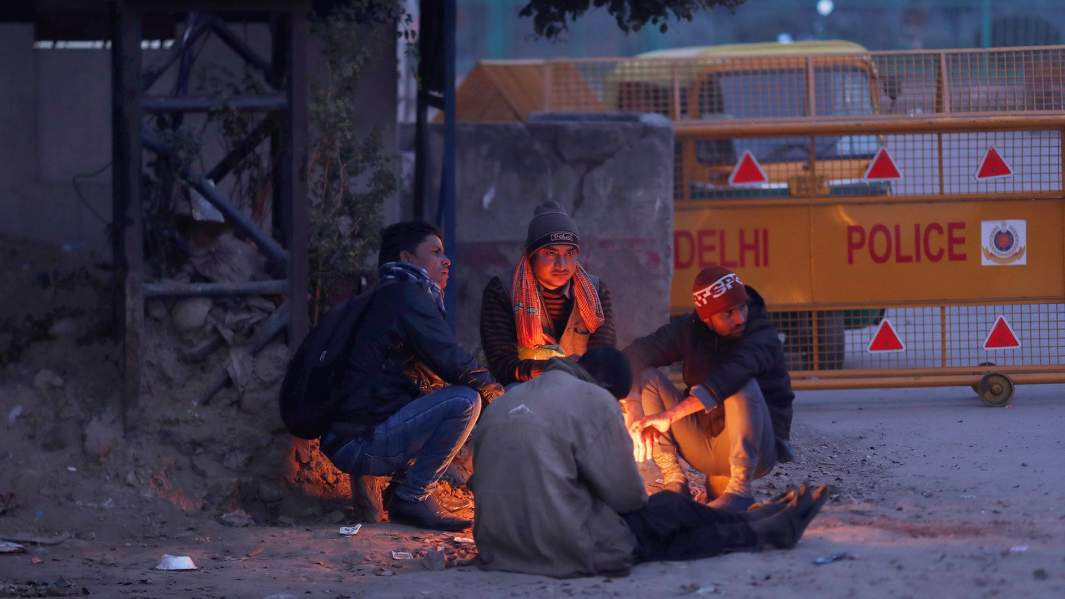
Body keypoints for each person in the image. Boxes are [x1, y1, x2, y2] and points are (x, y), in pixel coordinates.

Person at [470, 347, 826, 578]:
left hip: (498, 546)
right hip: (563, 549)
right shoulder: (595, 399)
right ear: (609, 388)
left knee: (666, 510)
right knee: (660, 521)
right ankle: (761, 529)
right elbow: (628, 499)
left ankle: (755, 519)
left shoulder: (506, 400)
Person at [319, 221, 504, 532]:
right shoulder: (406, 297)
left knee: (444, 393)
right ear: (407, 259)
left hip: (352, 436)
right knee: (465, 400)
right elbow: (451, 359)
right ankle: (412, 495)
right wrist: (499, 395)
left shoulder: (389, 294)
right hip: (359, 442)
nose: (447, 261)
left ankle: (401, 490)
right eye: (435, 252)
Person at [624, 266, 795, 512]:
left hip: (759, 448)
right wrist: (632, 404)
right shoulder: (690, 328)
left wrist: (668, 416)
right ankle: (675, 481)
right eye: (728, 314)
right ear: (707, 319)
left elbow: (733, 374)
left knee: (741, 383)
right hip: (705, 445)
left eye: (742, 307)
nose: (740, 318)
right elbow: (634, 355)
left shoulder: (761, 334)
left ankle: (740, 490)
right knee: (648, 377)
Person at [480, 201, 615, 386]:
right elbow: (502, 364)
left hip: (581, 385)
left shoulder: (596, 293)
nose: (562, 264)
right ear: (531, 254)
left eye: (569, 253)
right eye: (551, 253)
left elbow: (603, 357)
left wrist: (575, 372)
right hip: (524, 387)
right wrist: (551, 368)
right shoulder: (502, 291)